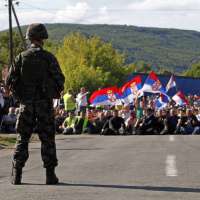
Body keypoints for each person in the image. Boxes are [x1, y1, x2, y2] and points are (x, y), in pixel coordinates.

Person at [6, 23, 65, 185]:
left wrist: (21, 96)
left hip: (26, 105)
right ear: (43, 38)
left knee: (22, 139)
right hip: (44, 106)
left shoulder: (20, 57)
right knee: (48, 140)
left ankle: (17, 175)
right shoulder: (49, 58)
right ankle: (50, 175)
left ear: (29, 38)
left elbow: (9, 81)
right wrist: (51, 92)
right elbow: (60, 80)